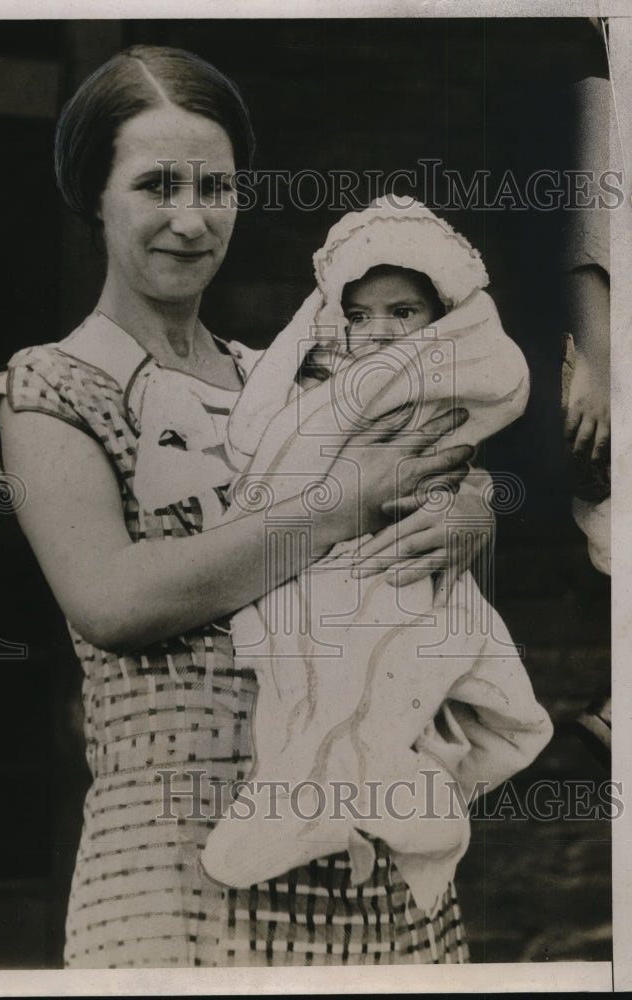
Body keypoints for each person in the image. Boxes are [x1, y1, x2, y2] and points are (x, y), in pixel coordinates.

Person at [0, 46, 487, 968]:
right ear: (96, 196)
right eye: (157, 185)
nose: (190, 219)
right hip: (177, 873)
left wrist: (470, 512)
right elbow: (115, 600)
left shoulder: (284, 381)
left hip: (376, 865)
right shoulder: (52, 389)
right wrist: (340, 504)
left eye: (217, 187)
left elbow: (428, 464)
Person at [193, 199, 553, 914]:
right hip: (319, 560)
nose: (379, 332)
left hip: (404, 558)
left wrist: (471, 496)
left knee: (395, 665)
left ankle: (382, 784)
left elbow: (469, 429)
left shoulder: (442, 372)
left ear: (442, 314)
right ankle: (320, 793)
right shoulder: (316, 382)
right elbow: (277, 448)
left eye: (403, 311)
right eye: (358, 316)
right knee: (311, 666)